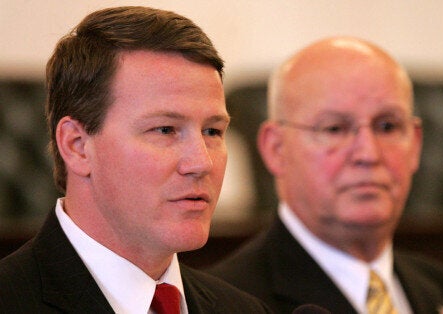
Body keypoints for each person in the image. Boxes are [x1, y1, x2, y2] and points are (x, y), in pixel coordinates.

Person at [209, 36, 443, 313]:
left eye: (388, 127)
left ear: (416, 144)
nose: (369, 154)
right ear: (276, 149)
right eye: (334, 129)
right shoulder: (224, 305)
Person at [0, 6, 270, 313]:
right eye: (165, 129)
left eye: (212, 130)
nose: (202, 163)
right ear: (77, 146)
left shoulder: (243, 309)